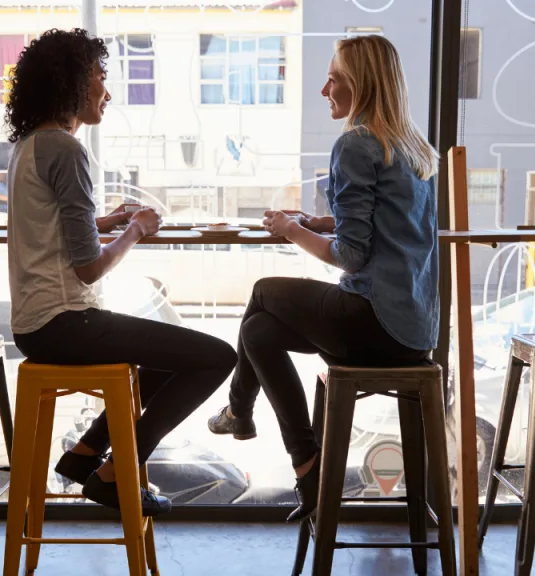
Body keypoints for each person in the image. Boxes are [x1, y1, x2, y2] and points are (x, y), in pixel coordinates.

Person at [207, 34, 440, 522]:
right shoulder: (412, 146)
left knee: (263, 292)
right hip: (415, 333)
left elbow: (353, 257)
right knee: (257, 330)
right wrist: (320, 222)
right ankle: (306, 465)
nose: (324, 89)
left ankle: (240, 412)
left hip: (371, 320)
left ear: (360, 85)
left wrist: (292, 230)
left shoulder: (356, 143)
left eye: (333, 78)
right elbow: (389, 226)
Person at [4, 28, 236, 516]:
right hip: (66, 322)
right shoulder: (68, 151)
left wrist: (102, 220)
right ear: (71, 83)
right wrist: (135, 230)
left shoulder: (29, 146)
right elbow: (88, 268)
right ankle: (114, 473)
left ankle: (86, 452)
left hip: (33, 326)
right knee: (216, 357)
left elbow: (51, 227)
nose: (106, 92)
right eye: (99, 77)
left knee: (164, 355)